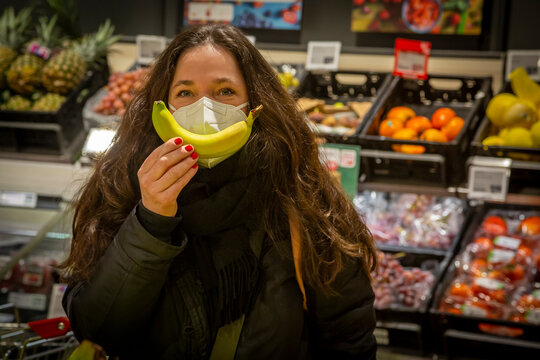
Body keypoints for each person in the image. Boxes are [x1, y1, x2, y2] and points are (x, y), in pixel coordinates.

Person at [60, 24, 378, 359]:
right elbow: (97, 328)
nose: (205, 109)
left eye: (225, 91)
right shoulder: (121, 184)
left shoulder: (302, 195)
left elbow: (349, 336)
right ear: (162, 104)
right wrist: (149, 221)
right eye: (185, 93)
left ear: (255, 102)